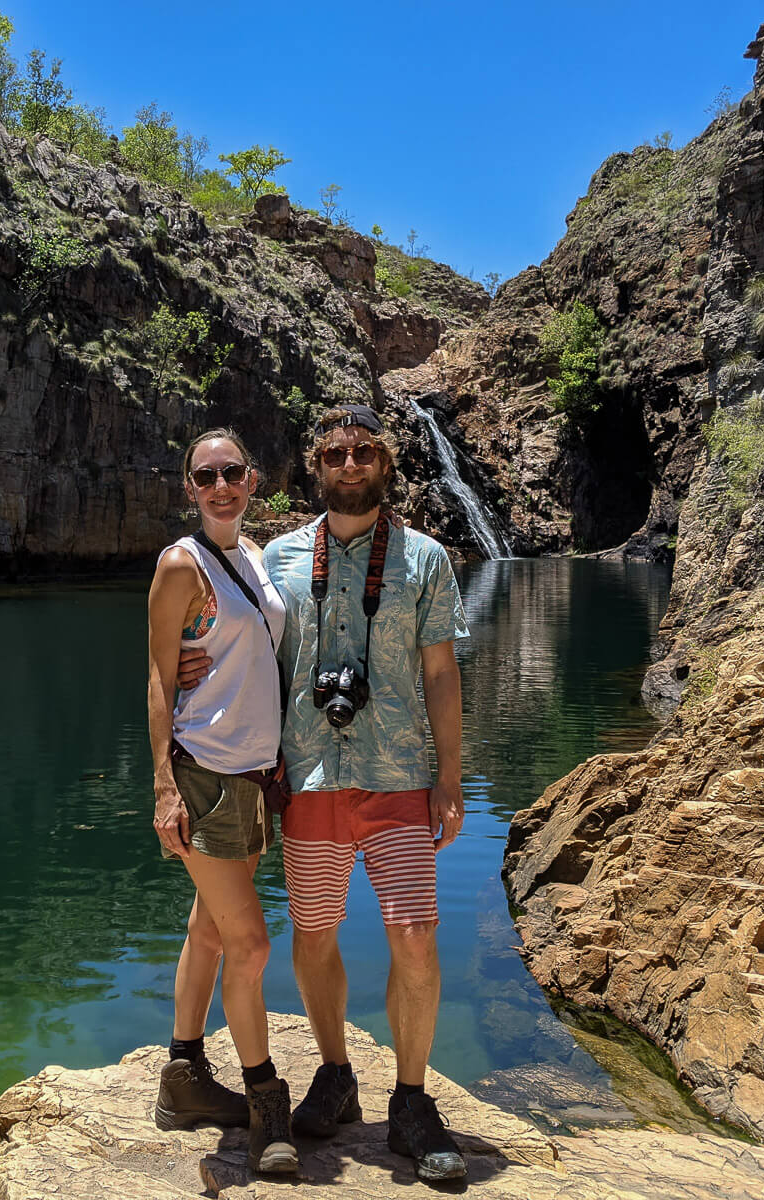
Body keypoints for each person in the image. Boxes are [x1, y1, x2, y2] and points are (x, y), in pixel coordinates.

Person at [181, 403, 471, 1182]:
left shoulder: (426, 559)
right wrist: (189, 668)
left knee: (414, 935)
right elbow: (229, 645)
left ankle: (410, 1101)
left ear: (386, 462)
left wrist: (451, 777)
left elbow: (441, 672)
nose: (350, 465)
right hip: (305, 782)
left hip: (400, 778)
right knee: (314, 935)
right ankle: (337, 1075)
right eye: (335, 454)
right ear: (314, 466)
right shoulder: (273, 560)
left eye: (364, 452)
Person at [146, 428, 297, 1176]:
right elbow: (159, 678)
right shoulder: (183, 562)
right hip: (203, 773)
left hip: (254, 778)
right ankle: (266, 1101)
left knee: (209, 929)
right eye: (206, 475)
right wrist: (163, 784)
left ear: (253, 478)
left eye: (232, 471)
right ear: (189, 487)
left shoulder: (255, 559)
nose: (220, 484)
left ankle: (182, 1075)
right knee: (252, 945)